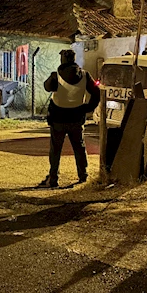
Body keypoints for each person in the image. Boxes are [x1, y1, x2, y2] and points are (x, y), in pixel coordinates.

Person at [38, 49, 100, 189]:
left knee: (55, 150)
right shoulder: (85, 75)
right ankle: (83, 175)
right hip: (76, 118)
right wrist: (87, 108)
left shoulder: (56, 75)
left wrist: (52, 78)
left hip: (58, 119)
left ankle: (53, 179)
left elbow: (47, 87)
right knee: (79, 147)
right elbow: (96, 93)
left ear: (63, 60)